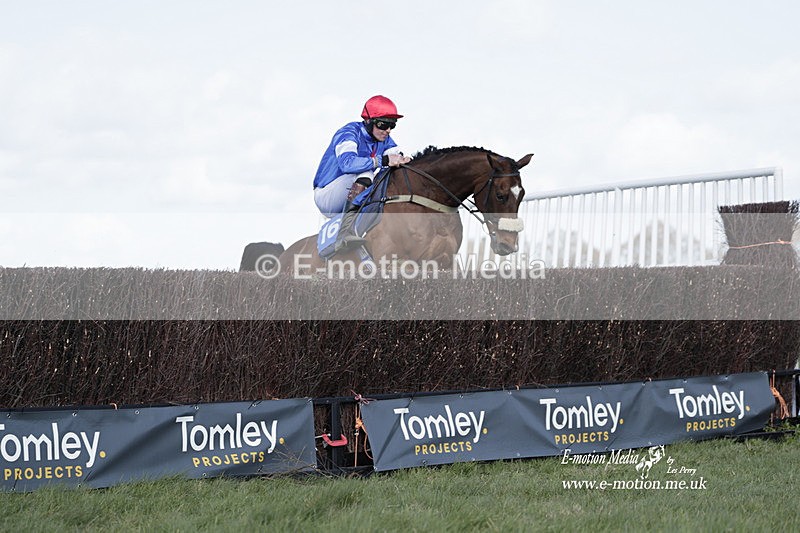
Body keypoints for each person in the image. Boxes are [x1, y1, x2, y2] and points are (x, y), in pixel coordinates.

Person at [313, 95, 411, 252]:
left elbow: (398, 157)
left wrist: (404, 160)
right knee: (366, 171)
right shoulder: (348, 133)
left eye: (392, 125)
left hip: (350, 191)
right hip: (327, 195)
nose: (387, 130)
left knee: (390, 174)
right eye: (383, 124)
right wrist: (384, 160)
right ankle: (344, 233)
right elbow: (348, 163)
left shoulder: (385, 139)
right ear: (368, 121)